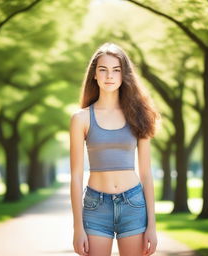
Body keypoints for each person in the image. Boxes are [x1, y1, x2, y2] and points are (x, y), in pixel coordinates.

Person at [69, 42, 159, 256]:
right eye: (103, 69)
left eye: (116, 70)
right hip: (95, 207)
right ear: (94, 75)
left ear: (123, 75)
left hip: (134, 205)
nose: (109, 76)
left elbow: (146, 174)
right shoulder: (80, 118)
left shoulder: (139, 114)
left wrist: (152, 227)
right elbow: (75, 176)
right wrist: (77, 228)